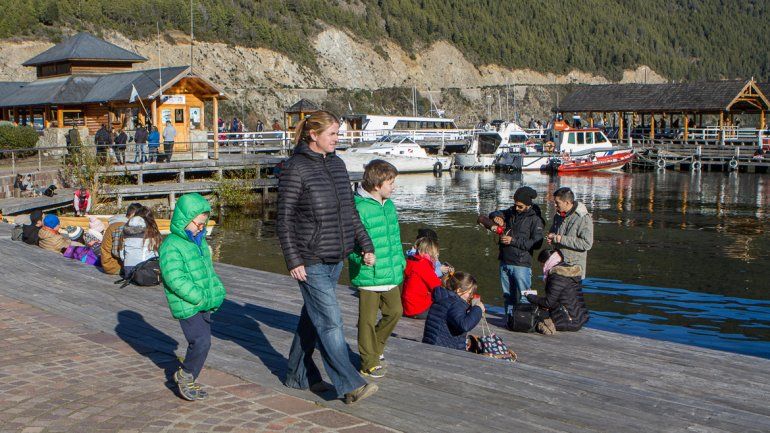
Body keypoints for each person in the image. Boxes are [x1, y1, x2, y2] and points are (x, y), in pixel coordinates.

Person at [277, 110, 378, 404]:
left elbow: (349, 211)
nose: (338, 138)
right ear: (314, 135)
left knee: (313, 317)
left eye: (338, 133)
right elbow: (283, 220)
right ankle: (350, 384)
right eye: (333, 134)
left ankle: (296, 374)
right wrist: (293, 260)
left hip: (336, 256)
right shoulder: (295, 168)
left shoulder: (337, 164)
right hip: (309, 259)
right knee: (331, 321)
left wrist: (365, 244)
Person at [159, 193, 226, 401]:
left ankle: (187, 375)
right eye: (198, 224)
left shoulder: (198, 242)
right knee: (201, 341)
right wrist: (198, 298)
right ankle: (186, 375)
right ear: (184, 220)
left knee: (204, 342)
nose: (201, 228)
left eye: (203, 224)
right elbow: (174, 278)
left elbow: (207, 271)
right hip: (188, 303)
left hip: (203, 302)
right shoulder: (171, 245)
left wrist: (217, 290)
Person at [349, 159, 405, 379]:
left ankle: (375, 347)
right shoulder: (358, 208)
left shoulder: (389, 205)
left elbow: (396, 239)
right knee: (367, 320)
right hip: (368, 274)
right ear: (377, 184)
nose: (394, 187)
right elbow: (347, 244)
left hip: (390, 272)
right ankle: (368, 361)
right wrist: (361, 258)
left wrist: (401, 262)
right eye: (391, 183)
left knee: (395, 311)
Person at [487, 186, 545, 316]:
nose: (517, 208)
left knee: (525, 297)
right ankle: (510, 319)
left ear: (528, 205)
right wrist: (497, 217)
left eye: (520, 206)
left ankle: (524, 320)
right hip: (505, 261)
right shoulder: (511, 212)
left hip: (522, 264)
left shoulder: (535, 219)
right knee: (508, 296)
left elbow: (536, 243)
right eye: (515, 205)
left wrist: (513, 241)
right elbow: (494, 213)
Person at [526, 249, 589, 333]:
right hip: (580, 318)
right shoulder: (568, 271)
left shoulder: (557, 276)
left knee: (529, 321)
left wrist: (530, 296)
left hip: (569, 321)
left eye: (541, 263)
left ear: (547, 262)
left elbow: (548, 303)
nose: (541, 266)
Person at [421, 272, 485, 351]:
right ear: (458, 290)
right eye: (469, 293)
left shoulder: (443, 297)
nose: (471, 296)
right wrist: (478, 309)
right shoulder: (455, 303)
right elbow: (465, 325)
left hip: (432, 343)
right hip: (445, 350)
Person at [547, 187, 594, 280]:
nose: (555, 205)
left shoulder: (583, 218)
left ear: (567, 203)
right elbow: (554, 233)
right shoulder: (558, 215)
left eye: (557, 203)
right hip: (558, 265)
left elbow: (587, 244)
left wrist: (560, 239)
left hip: (573, 270)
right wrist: (552, 238)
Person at [401, 237, 442, 319]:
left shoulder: (411, 262)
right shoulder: (423, 265)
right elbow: (437, 287)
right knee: (446, 308)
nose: (435, 259)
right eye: (434, 255)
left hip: (408, 307)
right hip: (418, 309)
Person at [119, 207, 162, 277]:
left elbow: (122, 256)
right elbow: (157, 255)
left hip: (128, 271)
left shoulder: (125, 231)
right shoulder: (152, 233)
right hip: (145, 272)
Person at [102, 203, 143, 275]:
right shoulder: (121, 226)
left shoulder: (120, 223)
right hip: (113, 265)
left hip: (113, 263)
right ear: (133, 215)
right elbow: (116, 252)